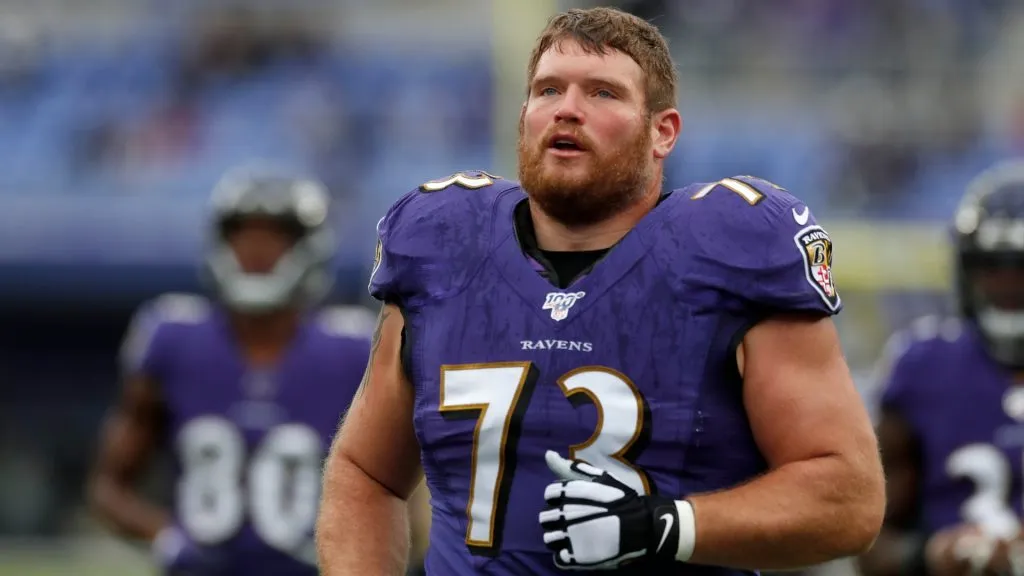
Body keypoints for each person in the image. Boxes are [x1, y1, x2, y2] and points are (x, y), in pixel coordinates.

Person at [316, 7, 884, 575]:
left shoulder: (729, 249)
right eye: (548, 90)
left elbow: (847, 497)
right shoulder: (445, 243)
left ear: (662, 132)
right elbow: (368, 473)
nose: (567, 108)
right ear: (524, 117)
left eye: (603, 93)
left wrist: (666, 525)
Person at [88, 167, 375, 575]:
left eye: (275, 236)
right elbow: (108, 487)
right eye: (242, 234)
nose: (256, 249)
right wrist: (165, 539)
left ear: (309, 246)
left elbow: (400, 492)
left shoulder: (353, 350)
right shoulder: (172, 339)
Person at [858, 160, 1024, 576]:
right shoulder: (924, 367)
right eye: (992, 269)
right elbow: (869, 541)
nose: (1007, 287)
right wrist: (932, 555)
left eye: (1021, 271)